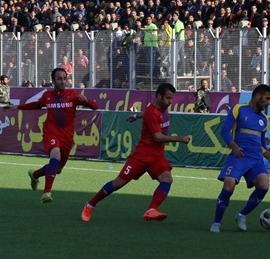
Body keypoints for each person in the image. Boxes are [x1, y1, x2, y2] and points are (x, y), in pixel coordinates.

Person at [81, 83, 191, 222]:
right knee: (118, 183)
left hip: (156, 157)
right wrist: (180, 139)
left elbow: (146, 113)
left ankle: (151, 210)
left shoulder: (160, 108)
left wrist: (135, 115)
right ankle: (90, 204)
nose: (170, 101)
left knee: (167, 179)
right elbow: (157, 137)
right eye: (168, 98)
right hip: (141, 156)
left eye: (172, 98)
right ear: (159, 96)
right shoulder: (152, 112)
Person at [4, 68, 98, 203]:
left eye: (64, 78)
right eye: (59, 79)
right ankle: (46, 192)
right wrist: (18, 107)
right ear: (53, 80)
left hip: (67, 137)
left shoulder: (73, 95)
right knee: (56, 155)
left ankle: (35, 174)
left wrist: (86, 100)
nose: (63, 81)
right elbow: (37, 104)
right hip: (51, 133)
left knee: (57, 169)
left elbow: (95, 106)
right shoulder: (47, 96)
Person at [210, 84, 270, 233]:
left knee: (264, 185)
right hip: (238, 156)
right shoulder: (238, 109)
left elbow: (261, 145)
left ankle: (241, 215)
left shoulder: (264, 119)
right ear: (258, 96)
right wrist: (234, 146)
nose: (268, 102)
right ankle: (216, 223)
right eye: (267, 98)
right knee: (229, 186)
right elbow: (225, 131)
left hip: (256, 160)